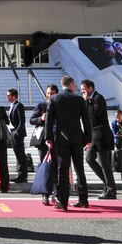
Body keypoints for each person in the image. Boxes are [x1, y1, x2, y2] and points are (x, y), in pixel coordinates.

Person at [44, 75, 90, 211]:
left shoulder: (54, 99)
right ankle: (83, 199)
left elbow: (49, 121)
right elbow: (86, 121)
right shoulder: (79, 99)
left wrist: (48, 138)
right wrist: (87, 139)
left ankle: (63, 202)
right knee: (79, 169)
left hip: (61, 138)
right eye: (75, 85)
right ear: (71, 85)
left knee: (62, 170)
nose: (75, 88)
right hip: (77, 138)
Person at [82, 79, 117, 199]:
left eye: (84, 89)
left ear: (90, 88)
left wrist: (87, 101)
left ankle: (111, 191)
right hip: (92, 136)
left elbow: (93, 115)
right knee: (89, 158)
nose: (83, 91)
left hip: (102, 136)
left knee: (104, 164)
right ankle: (107, 184)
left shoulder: (98, 98)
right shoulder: (88, 101)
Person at [30, 84, 59, 205]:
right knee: (45, 167)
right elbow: (32, 120)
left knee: (57, 168)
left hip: (57, 140)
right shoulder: (41, 106)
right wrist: (41, 118)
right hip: (43, 142)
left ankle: (56, 194)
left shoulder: (60, 106)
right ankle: (45, 195)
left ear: (56, 94)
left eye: (52, 93)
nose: (49, 96)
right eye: (48, 93)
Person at [6, 88, 30, 183]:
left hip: (17, 134)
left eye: (9, 96)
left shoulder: (19, 105)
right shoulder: (12, 105)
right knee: (18, 154)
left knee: (20, 154)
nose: (7, 97)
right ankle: (20, 174)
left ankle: (22, 175)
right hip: (12, 132)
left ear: (14, 96)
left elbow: (22, 120)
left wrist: (17, 132)